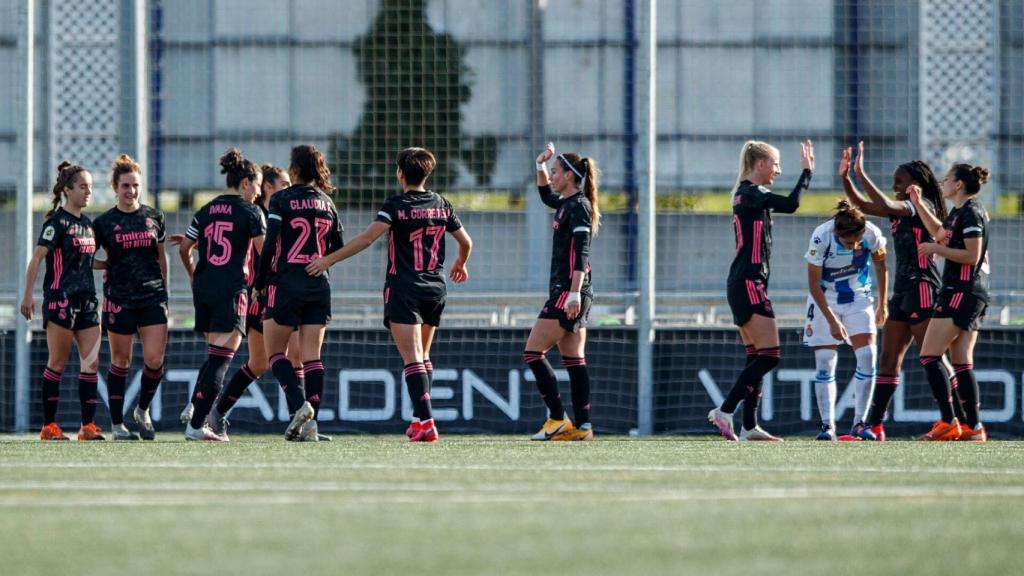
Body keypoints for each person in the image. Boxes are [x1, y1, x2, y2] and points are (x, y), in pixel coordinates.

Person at [306, 147, 471, 442]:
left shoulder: (396, 205)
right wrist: (461, 262)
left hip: (404, 288)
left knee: (412, 359)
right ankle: (419, 420)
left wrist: (328, 259)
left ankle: (428, 420)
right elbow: (466, 241)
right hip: (435, 288)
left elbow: (367, 238)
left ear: (400, 173)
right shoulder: (441, 204)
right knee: (423, 356)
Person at [839, 143, 965, 440]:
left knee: (931, 356)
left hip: (923, 285)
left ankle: (955, 419)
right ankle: (874, 426)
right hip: (903, 289)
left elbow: (882, 205)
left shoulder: (922, 206)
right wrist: (846, 178)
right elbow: (865, 206)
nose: (894, 185)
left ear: (916, 185)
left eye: (899, 181)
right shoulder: (900, 210)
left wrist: (860, 172)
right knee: (888, 359)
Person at [709, 139, 814, 441]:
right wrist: (807, 172)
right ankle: (725, 410)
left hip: (744, 282)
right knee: (770, 356)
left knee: (756, 355)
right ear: (759, 165)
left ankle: (749, 426)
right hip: (748, 282)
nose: (778, 170)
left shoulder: (747, 195)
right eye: (775, 164)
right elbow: (792, 204)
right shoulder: (752, 193)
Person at [210, 164, 322, 441]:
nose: (289, 188)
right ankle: (216, 413)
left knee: (280, 358)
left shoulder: (285, 211)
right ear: (269, 187)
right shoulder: (260, 215)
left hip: (285, 292)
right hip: (263, 293)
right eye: (283, 183)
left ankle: (300, 423)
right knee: (263, 361)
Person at [253, 144, 343, 440]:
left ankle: (298, 405)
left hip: (286, 281)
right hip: (319, 283)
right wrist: (320, 261)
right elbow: (336, 247)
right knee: (311, 356)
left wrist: (260, 282)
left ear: (293, 170)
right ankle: (312, 426)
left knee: (275, 352)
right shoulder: (326, 202)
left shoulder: (281, 200)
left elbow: (270, 244)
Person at [176, 149, 266, 441]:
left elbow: (184, 248)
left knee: (215, 355)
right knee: (221, 360)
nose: (259, 192)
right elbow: (264, 253)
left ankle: (195, 409)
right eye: (257, 184)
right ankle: (197, 424)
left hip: (204, 288)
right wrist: (262, 285)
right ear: (244, 182)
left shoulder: (206, 210)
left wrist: (194, 277)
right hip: (232, 290)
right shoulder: (251, 211)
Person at [523, 143, 601, 442]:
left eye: (555, 172)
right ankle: (583, 427)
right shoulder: (567, 203)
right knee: (574, 359)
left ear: (569, 176)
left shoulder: (578, 206)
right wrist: (540, 164)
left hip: (569, 291)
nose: (553, 177)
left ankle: (557, 418)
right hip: (572, 290)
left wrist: (573, 293)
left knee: (532, 353)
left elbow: (582, 251)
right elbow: (545, 195)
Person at [20, 162, 103, 441]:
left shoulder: (87, 224)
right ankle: (49, 426)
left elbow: (86, 262)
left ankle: (87, 427)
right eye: (83, 186)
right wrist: (28, 295)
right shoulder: (56, 223)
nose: (88, 191)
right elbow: (37, 259)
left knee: (91, 364)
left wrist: (111, 265)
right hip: (61, 300)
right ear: (68, 190)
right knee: (57, 363)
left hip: (88, 300)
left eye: (90, 186)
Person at [910, 163, 992, 442]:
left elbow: (972, 255)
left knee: (929, 355)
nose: (943, 183)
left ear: (958, 185)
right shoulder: (959, 213)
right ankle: (974, 428)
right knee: (961, 361)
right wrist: (919, 204)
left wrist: (936, 250)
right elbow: (939, 232)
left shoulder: (971, 212)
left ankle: (948, 421)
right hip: (971, 292)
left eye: (947, 179)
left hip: (962, 291)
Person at [92, 154, 168, 441]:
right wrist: (104, 265)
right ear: (115, 187)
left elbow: (162, 257)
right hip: (119, 298)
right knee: (120, 361)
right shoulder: (104, 222)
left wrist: (165, 290)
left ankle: (143, 410)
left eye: (135, 185)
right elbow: (84, 255)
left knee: (154, 359)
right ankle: (116, 424)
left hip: (152, 297)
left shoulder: (154, 216)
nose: (131, 191)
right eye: (125, 185)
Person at [803, 200, 887, 441]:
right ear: (837, 233)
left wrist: (883, 304)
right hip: (824, 299)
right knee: (825, 359)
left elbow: (882, 266)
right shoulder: (821, 236)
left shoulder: (872, 234)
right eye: (848, 243)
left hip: (859, 299)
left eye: (857, 241)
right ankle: (827, 426)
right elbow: (812, 283)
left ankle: (860, 423)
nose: (854, 246)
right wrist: (831, 320)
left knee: (868, 355)